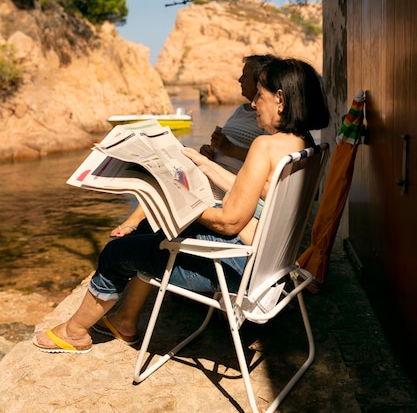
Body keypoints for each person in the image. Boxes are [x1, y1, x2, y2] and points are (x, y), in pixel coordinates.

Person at [33, 57, 329, 353]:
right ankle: (123, 320)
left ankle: (75, 332)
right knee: (150, 235)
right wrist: (204, 164)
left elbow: (228, 222)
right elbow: (261, 191)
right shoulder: (302, 144)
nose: (253, 104)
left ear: (280, 99)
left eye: (259, 96)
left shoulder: (264, 146)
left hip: (234, 267)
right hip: (270, 268)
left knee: (117, 252)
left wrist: (172, 198)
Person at [109, 54, 275, 237]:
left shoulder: (266, 117)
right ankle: (136, 220)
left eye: (245, 76)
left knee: (168, 176)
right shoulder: (240, 111)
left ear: (260, 82)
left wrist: (229, 149)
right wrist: (212, 152)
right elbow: (226, 146)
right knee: (163, 162)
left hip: (227, 183)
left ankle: (136, 224)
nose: (240, 80)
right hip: (213, 168)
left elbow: (266, 162)